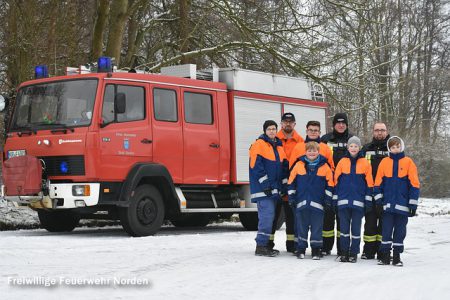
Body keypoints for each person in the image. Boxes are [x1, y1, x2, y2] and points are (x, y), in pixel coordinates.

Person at [374, 136, 420, 266]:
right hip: (387, 206)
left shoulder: (408, 162)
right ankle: (385, 256)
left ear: (402, 147)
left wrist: (413, 204)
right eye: (393, 147)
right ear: (389, 148)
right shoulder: (384, 162)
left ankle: (397, 256)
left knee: (400, 232)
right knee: (386, 231)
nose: (395, 149)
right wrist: (378, 201)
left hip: (403, 206)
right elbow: (378, 184)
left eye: (397, 147)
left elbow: (414, 184)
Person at [288, 141, 334, 260]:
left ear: (318, 152)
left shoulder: (325, 167)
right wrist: (292, 197)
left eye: (314, 150)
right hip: (301, 203)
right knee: (301, 228)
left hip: (318, 205)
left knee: (317, 229)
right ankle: (301, 249)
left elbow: (330, 185)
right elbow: (291, 182)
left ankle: (316, 250)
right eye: (309, 150)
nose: (312, 152)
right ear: (305, 152)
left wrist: (328, 199)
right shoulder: (298, 165)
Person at [249, 120, 288, 257]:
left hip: (274, 190)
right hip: (263, 190)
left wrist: (283, 186)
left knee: (271, 219)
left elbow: (283, 169)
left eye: (274, 129)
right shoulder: (258, 145)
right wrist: (265, 184)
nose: (272, 131)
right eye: (269, 129)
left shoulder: (279, 146)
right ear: (265, 131)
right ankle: (261, 246)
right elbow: (256, 167)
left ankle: (266, 246)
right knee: (266, 217)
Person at [334, 136, 374, 262]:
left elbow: (369, 184)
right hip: (343, 203)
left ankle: (354, 253)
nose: (353, 148)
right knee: (344, 230)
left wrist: (368, 200)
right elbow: (335, 181)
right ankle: (344, 252)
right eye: (351, 146)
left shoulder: (365, 163)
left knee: (356, 230)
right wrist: (335, 199)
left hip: (358, 204)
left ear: (360, 148)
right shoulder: (342, 162)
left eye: (356, 146)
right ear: (348, 147)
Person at [270, 112, 304, 253]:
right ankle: (267, 243)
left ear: (294, 124)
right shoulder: (274, 139)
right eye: (285, 121)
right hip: (276, 184)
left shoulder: (301, 141)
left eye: (290, 122)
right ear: (281, 123)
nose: (288, 124)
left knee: (292, 217)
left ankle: (292, 245)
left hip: (293, 184)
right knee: (272, 216)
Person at [320, 112, 353, 256]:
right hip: (327, 184)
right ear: (333, 124)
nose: (341, 125)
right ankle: (325, 247)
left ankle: (342, 248)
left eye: (343, 123)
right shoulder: (325, 140)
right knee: (327, 218)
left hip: (345, 186)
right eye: (338, 123)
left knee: (343, 218)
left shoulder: (353, 139)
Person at [361, 122, 390, 260]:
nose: (379, 133)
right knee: (370, 223)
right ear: (373, 132)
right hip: (370, 192)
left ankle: (382, 251)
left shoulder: (393, 148)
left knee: (385, 224)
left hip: (387, 193)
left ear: (387, 131)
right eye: (377, 130)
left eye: (382, 130)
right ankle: (368, 251)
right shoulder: (366, 149)